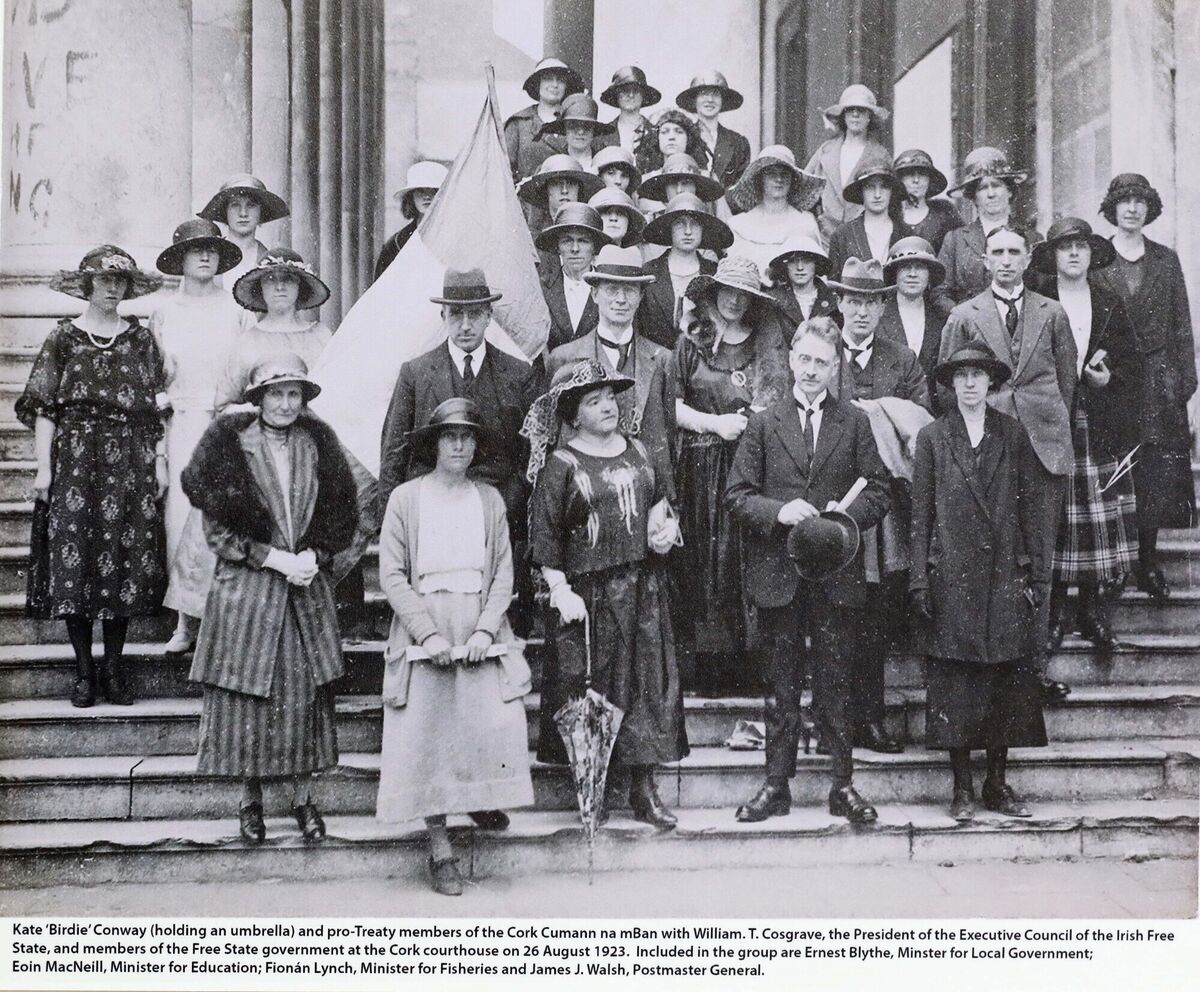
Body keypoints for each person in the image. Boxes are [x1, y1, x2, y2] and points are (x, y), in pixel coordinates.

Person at [184, 354, 357, 845]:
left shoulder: (316, 444)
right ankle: (250, 802)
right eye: (275, 394)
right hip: (249, 591)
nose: (285, 404)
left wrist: (316, 555)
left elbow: (340, 512)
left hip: (303, 589)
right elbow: (217, 530)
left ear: (304, 401)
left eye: (294, 394)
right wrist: (270, 557)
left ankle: (305, 801)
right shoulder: (232, 447)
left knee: (302, 698)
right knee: (247, 699)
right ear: (257, 398)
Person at [726, 318, 891, 823]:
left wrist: (842, 520)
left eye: (823, 361)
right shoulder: (764, 422)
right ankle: (776, 787)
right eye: (805, 359)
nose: (813, 369)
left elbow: (880, 490)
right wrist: (780, 511)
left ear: (835, 365)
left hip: (835, 574)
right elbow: (737, 497)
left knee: (836, 681)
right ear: (791, 360)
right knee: (781, 686)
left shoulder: (855, 422)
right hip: (779, 574)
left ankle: (842, 786)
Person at [376, 398, 534, 896]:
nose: (459, 445)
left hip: (478, 623)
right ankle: (440, 849)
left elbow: (504, 571)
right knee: (428, 735)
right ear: (435, 444)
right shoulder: (406, 499)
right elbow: (392, 575)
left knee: (490, 721)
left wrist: (487, 629)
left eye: (467, 437)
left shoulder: (489, 500)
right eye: (450, 437)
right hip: (427, 624)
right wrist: (427, 633)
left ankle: (482, 798)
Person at [526, 360, 687, 827]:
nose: (607, 407)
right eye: (594, 401)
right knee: (592, 693)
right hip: (589, 597)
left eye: (610, 398)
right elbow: (545, 537)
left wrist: (665, 530)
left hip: (643, 589)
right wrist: (559, 589)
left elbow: (660, 507)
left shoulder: (638, 449)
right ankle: (592, 790)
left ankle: (643, 789)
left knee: (646, 690)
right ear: (574, 414)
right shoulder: (561, 465)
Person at [19, 246, 168, 708]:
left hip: (128, 458)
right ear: (86, 284)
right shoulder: (62, 338)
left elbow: (153, 408)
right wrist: (45, 468)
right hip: (75, 460)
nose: (112, 287)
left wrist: (158, 461)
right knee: (74, 561)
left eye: (120, 280)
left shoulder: (140, 340)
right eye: (104, 279)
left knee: (123, 559)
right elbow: (44, 409)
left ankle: (115, 668)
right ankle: (84, 671)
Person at [938, 225, 1077, 704]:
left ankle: (1032, 669)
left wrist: (1045, 425)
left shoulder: (1052, 313)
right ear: (983, 259)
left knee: (1038, 559)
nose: (1005, 260)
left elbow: (1067, 379)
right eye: (996, 251)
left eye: (1014, 252)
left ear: (1027, 258)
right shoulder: (963, 315)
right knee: (991, 555)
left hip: (1042, 448)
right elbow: (946, 386)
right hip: (987, 446)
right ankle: (985, 665)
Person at [910, 343, 1047, 821]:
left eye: (979, 375)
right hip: (952, 578)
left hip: (1005, 575)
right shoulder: (932, 438)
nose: (970, 383)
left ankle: (998, 784)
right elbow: (920, 514)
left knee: (1004, 683)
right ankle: (961, 789)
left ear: (992, 383)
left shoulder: (1012, 434)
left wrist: (1033, 572)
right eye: (961, 375)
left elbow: (1030, 507)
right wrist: (919, 581)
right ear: (950, 384)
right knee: (956, 684)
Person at [673, 256, 790, 695]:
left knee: (751, 559)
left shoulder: (765, 342)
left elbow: (779, 400)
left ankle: (752, 664)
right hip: (702, 468)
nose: (735, 301)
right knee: (709, 562)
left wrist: (752, 421)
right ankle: (711, 669)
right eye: (728, 292)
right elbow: (672, 404)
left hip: (751, 466)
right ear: (713, 293)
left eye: (744, 294)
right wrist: (713, 424)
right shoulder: (691, 341)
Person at [830, 258, 928, 754]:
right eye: (854, 300)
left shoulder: (901, 359)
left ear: (882, 305)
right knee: (834, 613)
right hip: (832, 500)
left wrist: (881, 414)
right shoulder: (820, 354)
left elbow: (922, 426)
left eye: (871, 301)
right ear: (839, 303)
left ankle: (868, 717)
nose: (862, 310)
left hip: (886, 509)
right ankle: (832, 720)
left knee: (873, 613)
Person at [1033, 219, 1143, 649]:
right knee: (1058, 517)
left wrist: (1106, 377)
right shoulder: (1039, 300)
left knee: (1095, 521)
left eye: (1081, 247)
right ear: (1054, 256)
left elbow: (1133, 366)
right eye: (1065, 248)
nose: (1074, 254)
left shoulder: (1109, 301)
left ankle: (1092, 613)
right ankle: (1056, 612)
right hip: (1052, 420)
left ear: (1092, 254)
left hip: (1097, 423)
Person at [1091, 173, 1196, 600]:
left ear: (1148, 208)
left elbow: (1182, 325)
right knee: (1116, 472)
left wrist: (1183, 383)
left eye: (1139, 201)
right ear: (1112, 209)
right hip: (1113, 380)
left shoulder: (1165, 260)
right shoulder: (1097, 259)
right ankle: (1115, 565)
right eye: (1124, 201)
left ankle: (1147, 561)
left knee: (1153, 475)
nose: (1132, 208)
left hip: (1158, 382)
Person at [378, 268, 542, 536]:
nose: (465, 325)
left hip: (500, 519)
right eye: (455, 314)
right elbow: (394, 454)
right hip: (430, 518)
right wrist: (392, 531)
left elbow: (533, 456)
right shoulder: (416, 374)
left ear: (489, 315)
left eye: (475, 314)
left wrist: (508, 504)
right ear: (443, 316)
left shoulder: (519, 374)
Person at [151, 219, 250, 654]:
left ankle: (226, 622)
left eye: (211, 249)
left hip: (227, 423)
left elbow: (246, 369)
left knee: (228, 517)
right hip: (183, 423)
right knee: (181, 519)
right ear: (181, 260)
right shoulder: (164, 313)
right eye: (196, 250)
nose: (205, 256)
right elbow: (154, 377)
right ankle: (185, 620)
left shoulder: (236, 311)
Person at [546, 245, 676, 475]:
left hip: (644, 487)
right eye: (612, 289)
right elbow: (553, 437)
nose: (621, 299)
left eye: (629, 290)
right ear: (595, 294)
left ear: (641, 296)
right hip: (584, 489)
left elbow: (666, 439)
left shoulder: (663, 359)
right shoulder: (563, 358)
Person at [934, 147, 1031, 316]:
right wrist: (963, 317)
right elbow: (939, 293)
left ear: (1009, 191)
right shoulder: (955, 240)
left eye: (997, 185)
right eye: (983, 188)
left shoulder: (1031, 238)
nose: (991, 194)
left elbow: (1042, 293)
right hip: (970, 333)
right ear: (973, 196)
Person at [638, 193, 731, 349]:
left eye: (694, 224)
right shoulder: (648, 273)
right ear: (669, 229)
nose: (688, 231)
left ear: (703, 229)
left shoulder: (716, 274)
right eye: (680, 224)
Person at [805, 84, 891, 240]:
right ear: (843, 116)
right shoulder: (826, 151)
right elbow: (804, 186)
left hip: (864, 237)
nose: (855, 115)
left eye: (862, 110)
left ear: (870, 116)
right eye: (850, 110)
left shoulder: (881, 155)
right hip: (825, 238)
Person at [726, 146, 825, 278]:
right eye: (772, 173)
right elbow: (733, 276)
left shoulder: (805, 222)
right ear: (760, 179)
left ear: (792, 179)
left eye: (784, 174)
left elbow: (817, 276)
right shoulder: (739, 225)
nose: (779, 179)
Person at [878, 236, 949, 407]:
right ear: (894, 273)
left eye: (919, 267)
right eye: (905, 267)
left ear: (930, 275)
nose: (912, 274)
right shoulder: (878, 316)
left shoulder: (942, 319)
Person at [197, 173, 290, 295]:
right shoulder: (205, 258)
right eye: (235, 205)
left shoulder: (271, 262)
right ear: (225, 212)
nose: (243, 213)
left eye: (251, 205)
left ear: (261, 212)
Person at [536, 202, 611, 349]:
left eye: (583, 241)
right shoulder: (542, 289)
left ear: (595, 247)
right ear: (557, 246)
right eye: (567, 241)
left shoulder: (609, 288)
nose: (575, 249)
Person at [504, 56, 584, 182]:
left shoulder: (576, 122)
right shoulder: (518, 124)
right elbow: (505, 171)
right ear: (537, 84)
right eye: (548, 79)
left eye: (560, 80)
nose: (555, 85)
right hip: (526, 199)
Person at [827, 153, 905, 276]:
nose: (877, 194)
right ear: (861, 192)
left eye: (884, 187)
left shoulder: (905, 234)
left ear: (892, 191)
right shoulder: (842, 235)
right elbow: (834, 284)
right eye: (870, 187)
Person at [675, 71, 752, 191]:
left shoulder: (738, 142)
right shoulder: (683, 137)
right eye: (704, 94)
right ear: (695, 100)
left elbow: (741, 186)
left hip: (727, 207)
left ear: (722, 100)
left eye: (715, 94)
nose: (710, 99)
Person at [374, 161, 448, 281]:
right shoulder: (394, 244)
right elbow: (380, 290)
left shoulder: (458, 239)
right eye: (420, 190)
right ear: (411, 197)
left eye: (434, 190)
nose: (427, 196)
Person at [516, 153, 605, 250]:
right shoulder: (531, 238)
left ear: (579, 190)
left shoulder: (591, 230)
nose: (564, 190)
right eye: (556, 184)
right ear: (546, 190)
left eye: (571, 184)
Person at [892, 149, 962, 253]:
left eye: (922, 174)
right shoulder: (891, 214)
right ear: (900, 179)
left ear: (930, 179)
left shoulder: (944, 212)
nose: (916, 180)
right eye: (909, 174)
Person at [765, 235, 842, 329]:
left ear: (816, 264)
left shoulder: (833, 300)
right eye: (793, 261)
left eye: (807, 260)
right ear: (785, 266)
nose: (800, 267)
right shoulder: (772, 300)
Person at [535, 93, 615, 174]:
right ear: (564, 129)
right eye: (573, 125)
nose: (580, 132)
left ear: (594, 130)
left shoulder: (607, 163)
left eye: (587, 126)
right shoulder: (550, 165)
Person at [596, 65, 660, 155]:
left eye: (636, 90)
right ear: (616, 95)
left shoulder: (657, 134)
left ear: (643, 95)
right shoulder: (603, 136)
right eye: (625, 90)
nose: (631, 95)